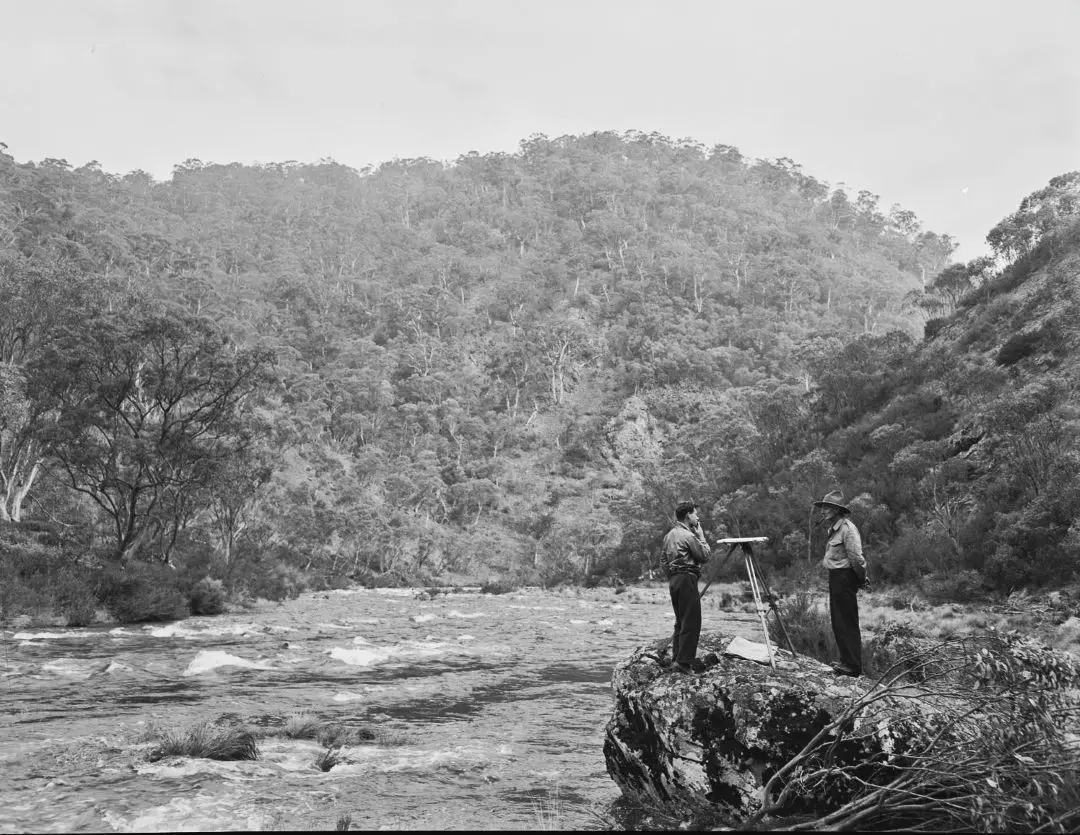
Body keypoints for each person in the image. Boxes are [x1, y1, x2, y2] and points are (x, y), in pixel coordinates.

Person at [813, 490, 867, 677]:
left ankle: (853, 666)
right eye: (823, 507)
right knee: (838, 621)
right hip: (836, 577)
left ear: (837, 510)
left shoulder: (848, 529)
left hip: (845, 577)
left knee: (847, 621)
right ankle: (846, 661)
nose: (823, 511)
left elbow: (856, 558)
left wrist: (860, 578)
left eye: (827, 507)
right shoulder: (835, 528)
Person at [660, 500, 712, 673]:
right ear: (689, 515)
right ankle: (683, 663)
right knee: (691, 621)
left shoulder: (668, 536)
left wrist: (673, 576)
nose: (697, 517)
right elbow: (704, 555)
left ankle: (676, 658)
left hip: (674, 581)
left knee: (680, 621)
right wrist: (701, 535)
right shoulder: (688, 536)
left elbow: (663, 561)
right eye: (695, 514)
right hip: (687, 578)